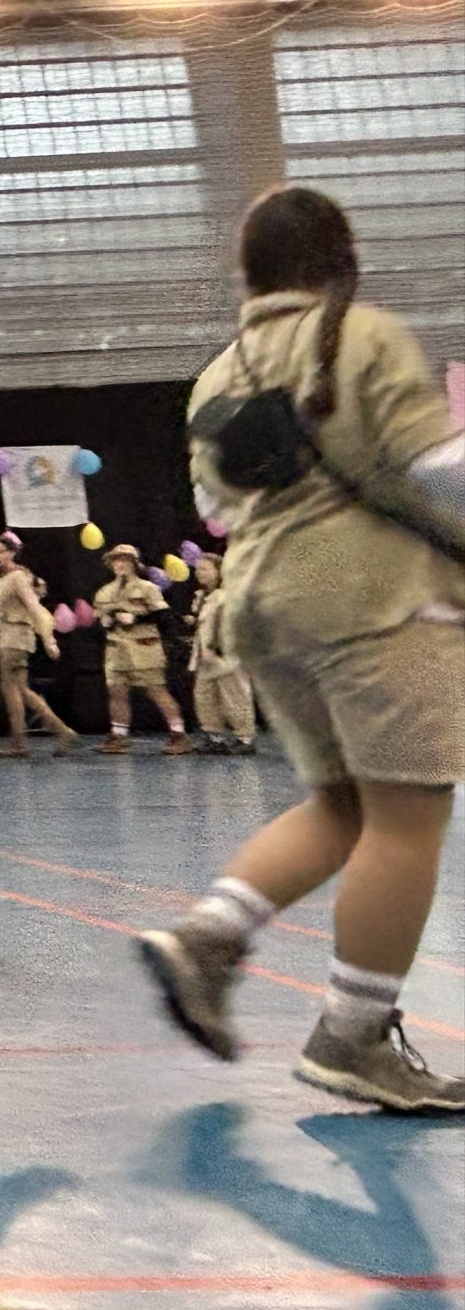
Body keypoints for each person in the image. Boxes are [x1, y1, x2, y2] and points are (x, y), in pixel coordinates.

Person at [142, 184, 465, 1111]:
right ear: (341, 261)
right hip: (374, 603)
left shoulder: (219, 373)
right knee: (408, 817)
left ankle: (208, 938)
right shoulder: (360, 335)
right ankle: (352, 1038)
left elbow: (213, 510)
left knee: (343, 806)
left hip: (262, 607)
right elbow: (438, 471)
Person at [0, 532, 77, 756]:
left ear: (12, 553)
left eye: (0, 551)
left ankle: (42, 736)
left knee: (13, 690)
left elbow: (34, 607)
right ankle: (26, 741)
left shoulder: (17, 577)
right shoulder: (4, 577)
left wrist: (49, 639)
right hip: (9, 635)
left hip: (16, 637)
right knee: (19, 690)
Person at [94, 544, 190, 754]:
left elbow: (164, 617)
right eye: (117, 560)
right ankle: (119, 736)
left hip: (143, 648)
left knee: (156, 690)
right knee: (116, 691)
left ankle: (178, 734)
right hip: (116, 649)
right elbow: (100, 617)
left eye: (126, 560)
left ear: (134, 564)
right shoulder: (104, 592)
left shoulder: (148, 588)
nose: (120, 564)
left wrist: (136, 618)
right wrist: (108, 621)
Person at [188, 556, 259, 756]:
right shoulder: (201, 596)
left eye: (205, 569)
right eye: (198, 569)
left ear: (218, 571)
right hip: (203, 655)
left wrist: (217, 648)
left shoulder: (227, 595)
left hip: (225, 655)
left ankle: (245, 737)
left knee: (234, 694)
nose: (199, 573)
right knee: (205, 696)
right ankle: (214, 736)